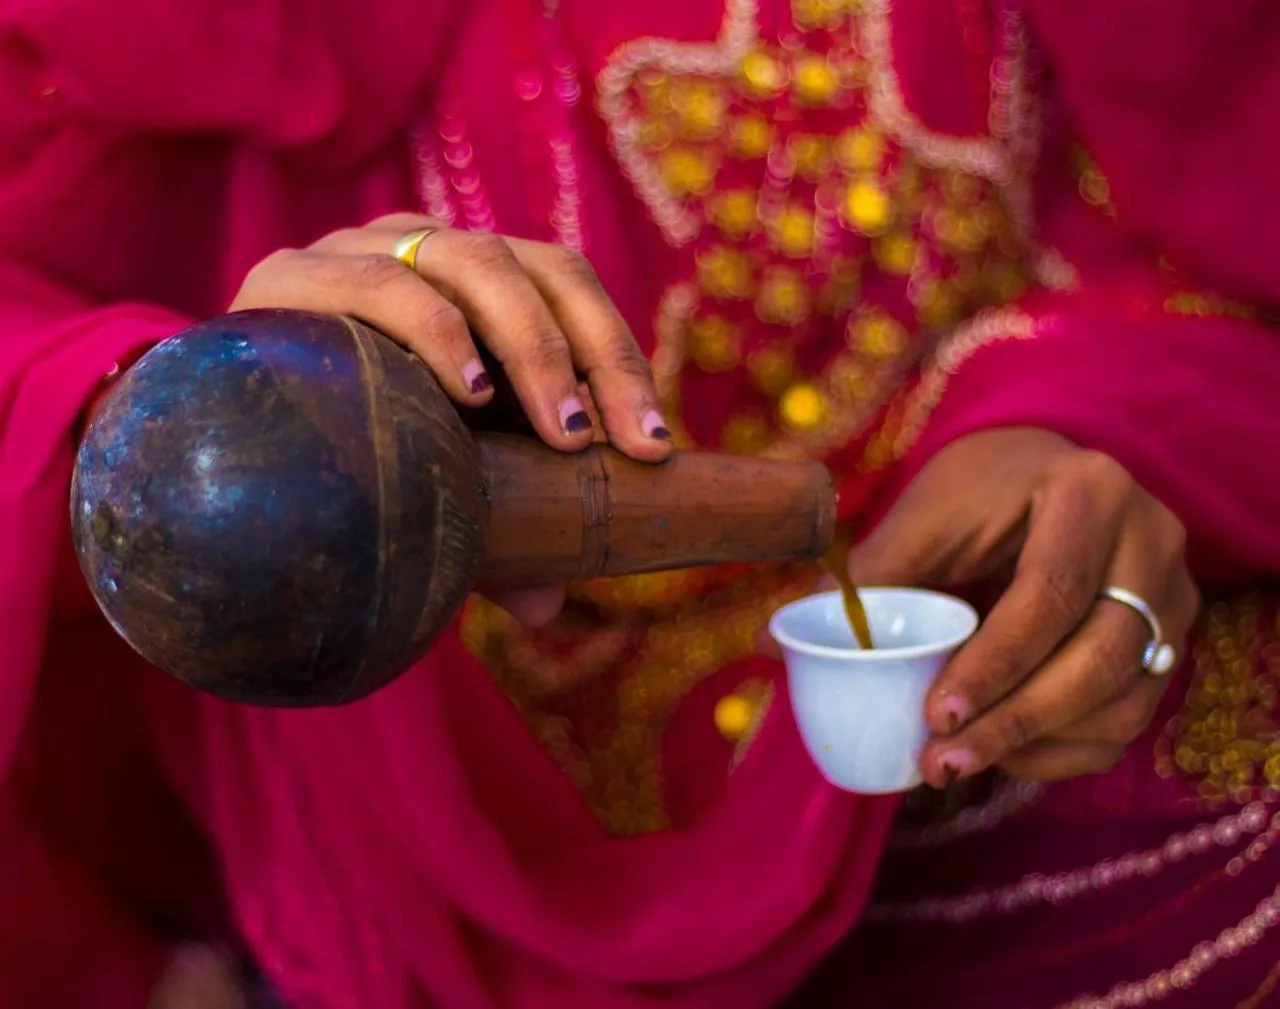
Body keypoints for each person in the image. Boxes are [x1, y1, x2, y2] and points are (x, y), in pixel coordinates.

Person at [2, 0, 1278, 1005]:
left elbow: (1210, 234)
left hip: (994, 737)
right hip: (430, 829)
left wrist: (1079, 427)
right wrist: (212, 387)